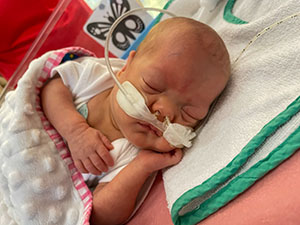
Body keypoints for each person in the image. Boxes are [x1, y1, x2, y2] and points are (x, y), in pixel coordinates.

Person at [41, 17, 230, 225]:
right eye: (152, 85)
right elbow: (50, 88)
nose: (164, 111)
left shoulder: (133, 156)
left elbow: (101, 216)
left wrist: (142, 167)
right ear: (125, 67)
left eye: (189, 113)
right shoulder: (95, 77)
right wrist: (75, 131)